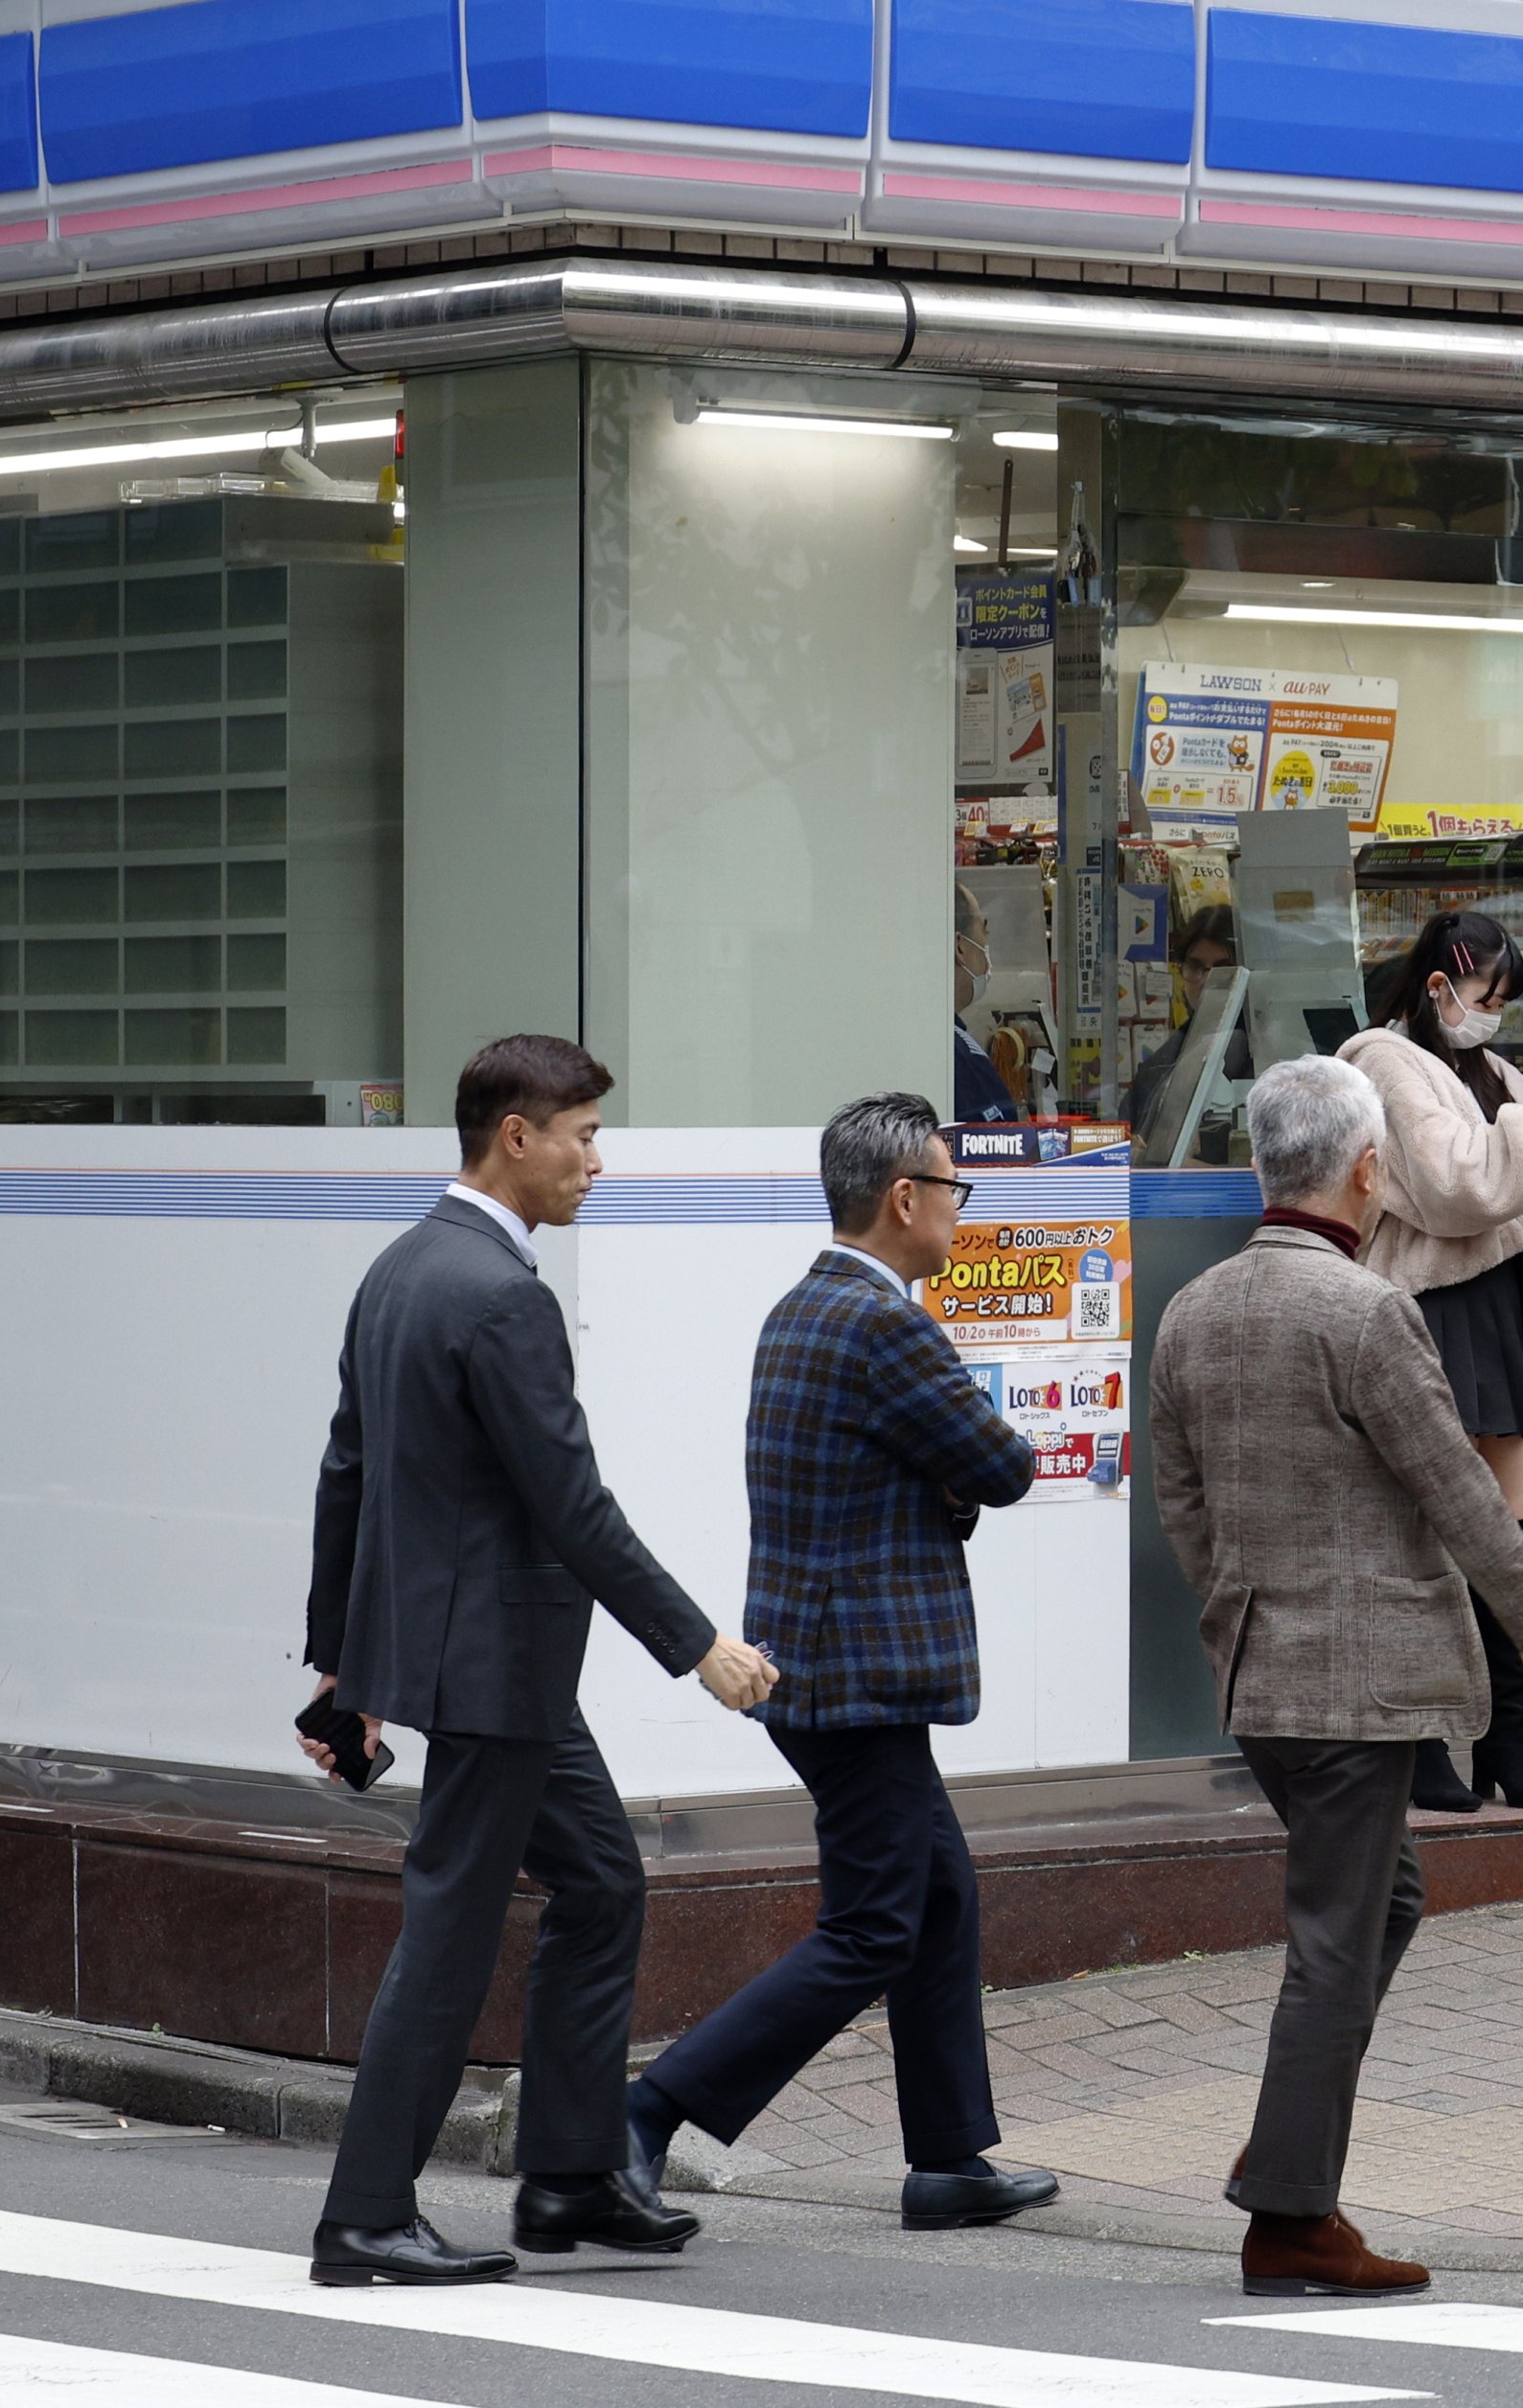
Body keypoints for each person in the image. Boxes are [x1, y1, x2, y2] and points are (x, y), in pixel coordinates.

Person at [301, 1035, 778, 2288]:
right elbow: (573, 1506)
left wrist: (336, 1669)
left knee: (605, 1883)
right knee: (450, 1933)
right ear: (516, 1135)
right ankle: (364, 2217)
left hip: (478, 1659)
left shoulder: (402, 1268)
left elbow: (347, 1471)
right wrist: (700, 1648)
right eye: (580, 1134)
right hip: (497, 1662)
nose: (594, 1161)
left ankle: (569, 2181)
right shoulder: (502, 1294)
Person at [1149, 1053, 1523, 2298]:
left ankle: (1287, 2159)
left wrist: (1232, 1605)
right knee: (1336, 1941)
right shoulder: (1366, 1313)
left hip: (1263, 1681)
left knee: (1377, 1902)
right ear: (1369, 1170)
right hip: (1354, 1691)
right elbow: (1460, 1491)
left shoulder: (1196, 1311)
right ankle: (1290, 2216)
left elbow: (1180, 1496)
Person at [624, 1093, 1057, 2229]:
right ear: (904, 1197)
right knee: (875, 1923)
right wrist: (955, 1472)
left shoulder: (799, 1308)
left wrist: (940, 1475)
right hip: (858, 1676)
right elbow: (1003, 1464)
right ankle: (651, 2110)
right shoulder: (888, 1325)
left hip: (813, 1664)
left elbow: (885, 1477)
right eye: (953, 1188)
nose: (961, 1211)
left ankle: (949, 2158)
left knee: (940, 1895)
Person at [1337, 909, 1523, 1815]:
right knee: (1423, 1538)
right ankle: (1418, 1739)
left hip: (1501, 1301)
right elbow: (1462, 1186)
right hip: (1420, 1305)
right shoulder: (1380, 1060)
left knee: (1509, 1533)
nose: (1495, 1015)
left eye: (1504, 1001)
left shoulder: (1493, 1072)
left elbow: (1512, 1192)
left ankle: (1505, 1739)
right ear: (1439, 985)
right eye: (1487, 996)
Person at [1125, 905, 1253, 1140]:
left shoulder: (1263, 1051)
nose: (1207, 980)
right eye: (1195, 967)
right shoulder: (1161, 1061)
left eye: (1223, 969)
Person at [955, 884, 1016, 1123]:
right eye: (983, 931)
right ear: (960, 946)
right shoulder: (957, 1054)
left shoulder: (954, 1042)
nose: (986, 945)